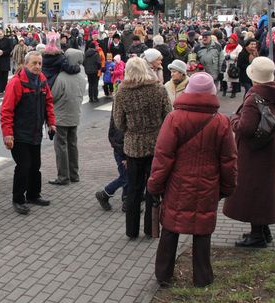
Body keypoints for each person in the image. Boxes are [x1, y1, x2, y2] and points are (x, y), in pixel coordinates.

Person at [147, 72, 237, 288]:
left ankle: (163, 274)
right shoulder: (222, 122)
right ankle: (202, 277)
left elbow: (163, 156)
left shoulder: (174, 118)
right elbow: (229, 160)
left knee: (170, 228)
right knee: (202, 230)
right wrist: (227, 187)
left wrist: (155, 184)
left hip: (177, 184)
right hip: (208, 184)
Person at [223, 57, 275, 248]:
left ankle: (257, 234)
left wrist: (233, 118)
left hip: (255, 154)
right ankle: (262, 229)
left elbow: (245, 128)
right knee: (265, 191)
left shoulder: (254, 98)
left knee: (254, 192)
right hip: (273, 151)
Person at [113, 56, 172, 239]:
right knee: (153, 189)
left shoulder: (122, 92)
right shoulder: (158, 89)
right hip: (156, 145)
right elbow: (168, 115)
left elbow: (119, 123)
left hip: (133, 147)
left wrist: (132, 128)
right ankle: (151, 228)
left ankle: (131, 230)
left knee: (133, 190)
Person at [1, 51, 56, 215]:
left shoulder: (42, 80)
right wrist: (7, 134)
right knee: (23, 166)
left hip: (35, 133)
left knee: (35, 166)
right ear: (26, 64)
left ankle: (33, 194)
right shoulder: (16, 83)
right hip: (19, 133)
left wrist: (51, 123)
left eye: (39, 63)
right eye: (34, 63)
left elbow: (49, 103)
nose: (37, 66)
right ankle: (18, 199)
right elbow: (6, 110)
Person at [49, 49, 87, 185]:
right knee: (73, 146)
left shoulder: (61, 77)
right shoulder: (81, 77)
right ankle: (74, 174)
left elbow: (52, 97)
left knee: (61, 147)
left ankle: (63, 177)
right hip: (75, 116)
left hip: (60, 117)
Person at [95, 111, 128, 212]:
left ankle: (127, 201)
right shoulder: (123, 104)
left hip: (123, 148)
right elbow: (120, 135)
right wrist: (125, 156)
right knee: (126, 177)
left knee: (128, 176)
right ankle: (104, 194)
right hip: (122, 149)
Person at [221, 33, 242, 98]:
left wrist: (231, 56)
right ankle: (224, 90)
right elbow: (223, 52)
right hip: (226, 64)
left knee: (234, 78)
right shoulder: (226, 46)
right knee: (224, 78)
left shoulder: (238, 47)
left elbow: (239, 55)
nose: (230, 40)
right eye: (229, 38)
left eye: (231, 38)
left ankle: (234, 92)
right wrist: (225, 55)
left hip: (233, 64)